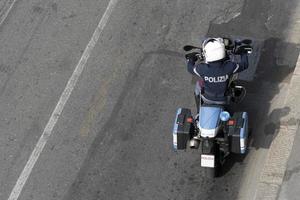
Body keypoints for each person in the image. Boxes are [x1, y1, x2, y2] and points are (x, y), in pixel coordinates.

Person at [186, 38, 249, 111]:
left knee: (198, 84)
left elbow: (190, 69)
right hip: (223, 100)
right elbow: (244, 64)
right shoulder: (230, 66)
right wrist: (243, 53)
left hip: (207, 98)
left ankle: (199, 109)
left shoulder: (201, 68)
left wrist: (191, 59)